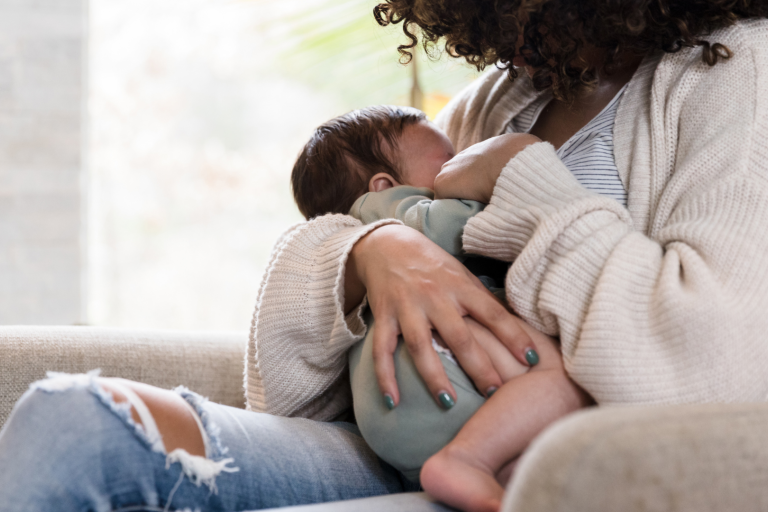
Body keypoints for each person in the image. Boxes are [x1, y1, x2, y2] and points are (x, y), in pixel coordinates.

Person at [1, 2, 767, 511]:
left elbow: (710, 370)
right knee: (75, 420)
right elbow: (286, 389)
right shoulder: (506, 96)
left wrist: (522, 175)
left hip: (538, 471)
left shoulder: (738, 72)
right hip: (402, 448)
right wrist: (375, 248)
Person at [289, 104, 590, 511]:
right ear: (383, 185)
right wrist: (504, 173)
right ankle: (465, 459)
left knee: (522, 475)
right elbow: (462, 226)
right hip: (429, 375)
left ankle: (476, 470)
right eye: (449, 162)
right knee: (567, 380)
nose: (460, 168)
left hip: (391, 411)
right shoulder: (391, 212)